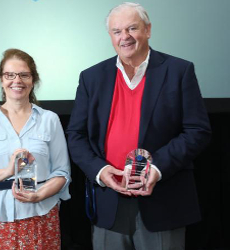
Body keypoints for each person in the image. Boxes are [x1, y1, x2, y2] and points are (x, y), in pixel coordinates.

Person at [66, 2, 211, 249]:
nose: (125, 37)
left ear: (148, 30)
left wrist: (158, 168)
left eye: (132, 28)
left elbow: (197, 130)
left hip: (164, 200)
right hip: (109, 201)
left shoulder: (178, 71)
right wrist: (101, 172)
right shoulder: (91, 77)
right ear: (110, 36)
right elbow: (76, 135)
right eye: (117, 31)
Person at [0, 48, 71, 249]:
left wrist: (39, 194)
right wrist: (7, 171)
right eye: (10, 75)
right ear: (1, 79)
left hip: (42, 214)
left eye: (24, 75)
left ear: (33, 80)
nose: (17, 80)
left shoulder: (49, 119)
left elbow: (62, 172)